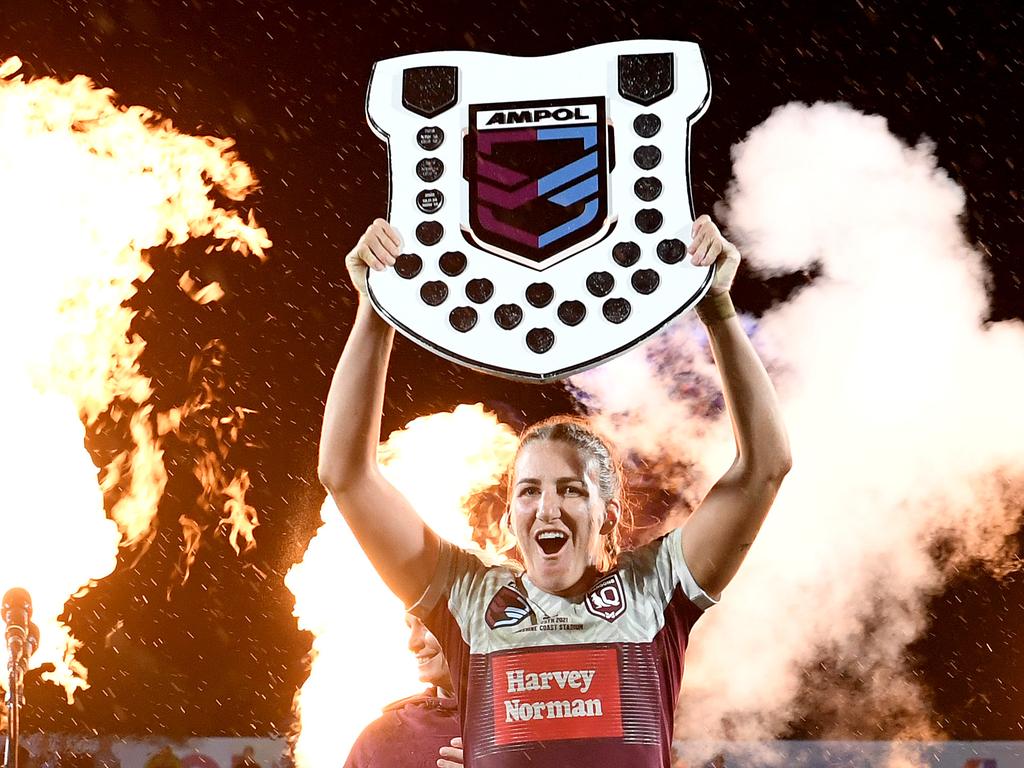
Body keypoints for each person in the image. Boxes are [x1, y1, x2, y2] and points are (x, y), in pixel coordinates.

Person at [320, 215, 791, 767]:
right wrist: (375, 309)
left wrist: (718, 309)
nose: (546, 507)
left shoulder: (654, 590)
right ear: (513, 513)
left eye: (570, 489)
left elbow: (765, 467)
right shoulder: (470, 600)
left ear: (607, 513)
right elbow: (346, 475)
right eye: (528, 491)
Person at [343, 614, 462, 768]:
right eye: (409, 626)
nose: (413, 643)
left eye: (426, 623)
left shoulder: (502, 722)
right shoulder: (381, 739)